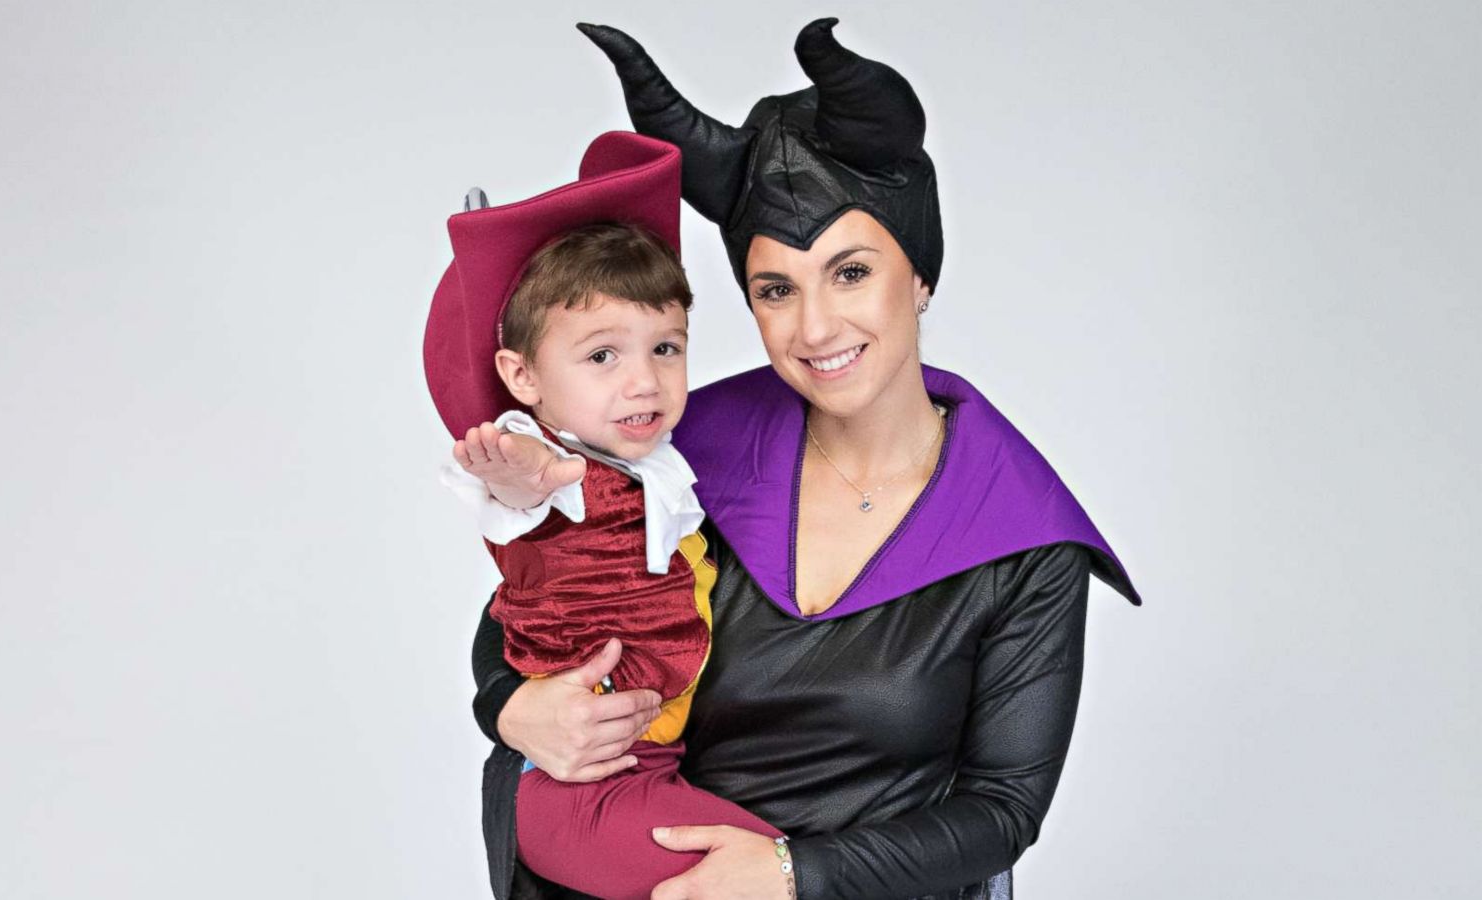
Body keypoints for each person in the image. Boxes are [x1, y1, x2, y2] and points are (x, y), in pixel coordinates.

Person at [466, 19, 1141, 900]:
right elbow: (526, 613)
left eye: (851, 273)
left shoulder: (1018, 530)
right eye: (776, 289)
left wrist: (793, 874)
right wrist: (514, 710)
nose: (815, 328)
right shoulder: (682, 453)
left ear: (921, 275)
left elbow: (1004, 807)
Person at [425, 131, 785, 900]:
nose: (644, 382)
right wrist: (533, 476)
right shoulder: (545, 459)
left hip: (645, 772)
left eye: (666, 347)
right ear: (521, 377)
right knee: (780, 879)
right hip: (579, 791)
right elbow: (523, 498)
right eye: (602, 357)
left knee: (785, 867)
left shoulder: (661, 463)